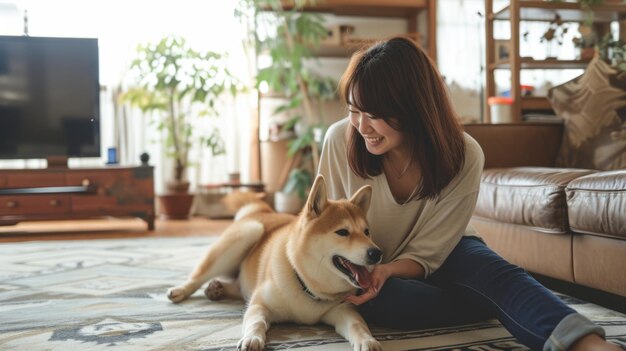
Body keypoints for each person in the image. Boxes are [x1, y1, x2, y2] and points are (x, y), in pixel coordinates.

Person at [317, 36, 620, 351]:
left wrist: (391, 268)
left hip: (447, 248)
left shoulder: (463, 153)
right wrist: (372, 273)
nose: (362, 126)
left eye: (375, 114)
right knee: (389, 301)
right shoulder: (340, 140)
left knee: (496, 274)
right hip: (366, 262)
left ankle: (587, 343)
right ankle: (493, 303)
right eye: (355, 110)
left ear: (411, 106)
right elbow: (325, 231)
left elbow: (430, 252)